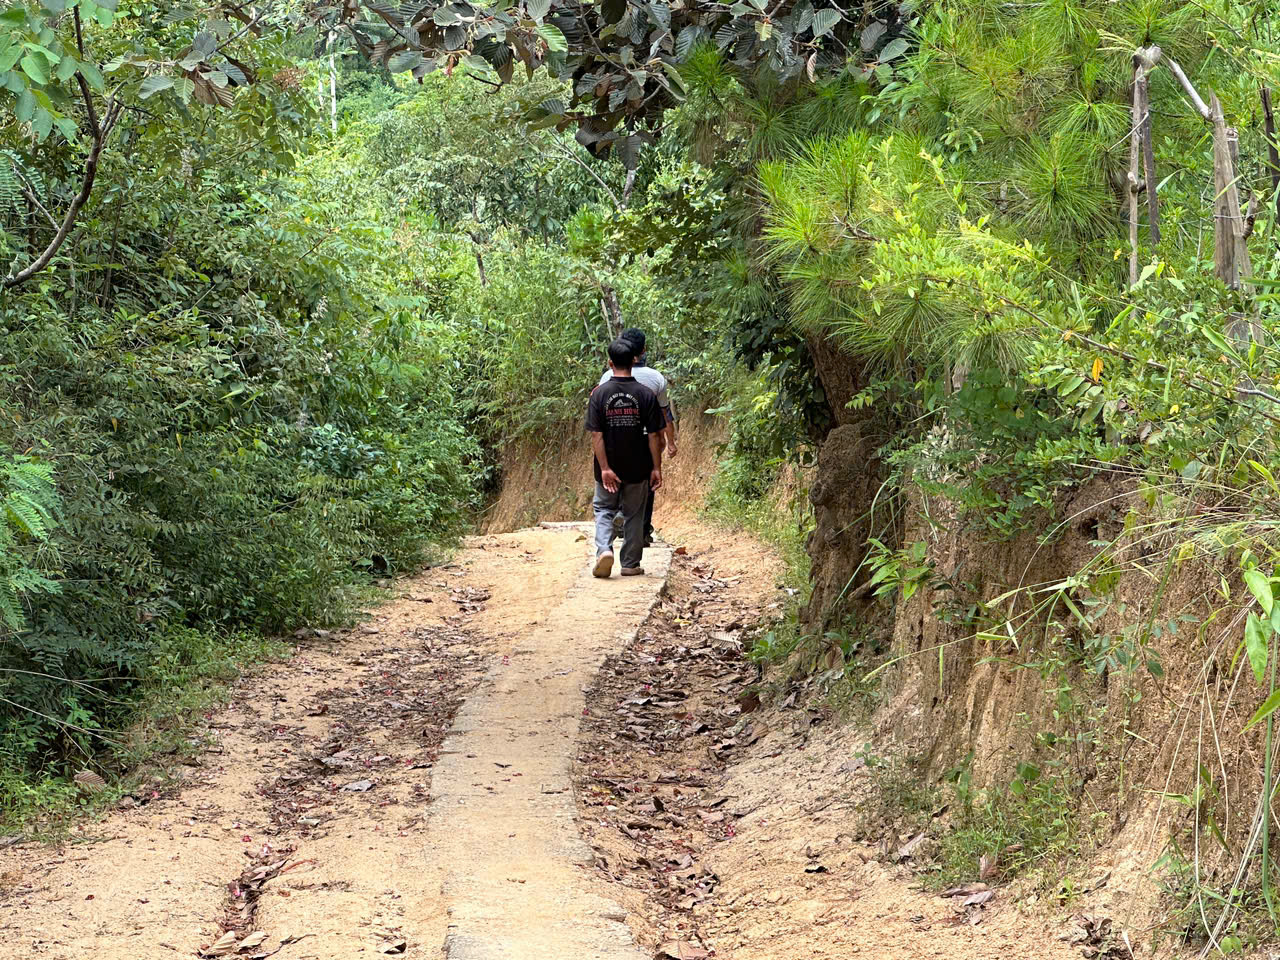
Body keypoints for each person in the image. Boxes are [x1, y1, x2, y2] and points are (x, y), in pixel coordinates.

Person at [586, 339, 665, 578]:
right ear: (635, 360)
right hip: (638, 464)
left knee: (603, 509)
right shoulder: (646, 394)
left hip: (609, 465)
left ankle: (604, 550)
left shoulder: (599, 395)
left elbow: (597, 436)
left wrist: (605, 468)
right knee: (634, 513)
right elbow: (654, 436)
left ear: (610, 363)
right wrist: (656, 467)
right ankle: (630, 563)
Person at [596, 328, 676, 547]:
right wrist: (671, 441)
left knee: (615, 486)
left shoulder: (606, 377)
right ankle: (641, 532)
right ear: (643, 350)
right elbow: (664, 413)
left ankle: (617, 520)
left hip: (615, 440)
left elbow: (601, 413)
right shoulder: (656, 378)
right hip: (647, 442)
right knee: (646, 485)